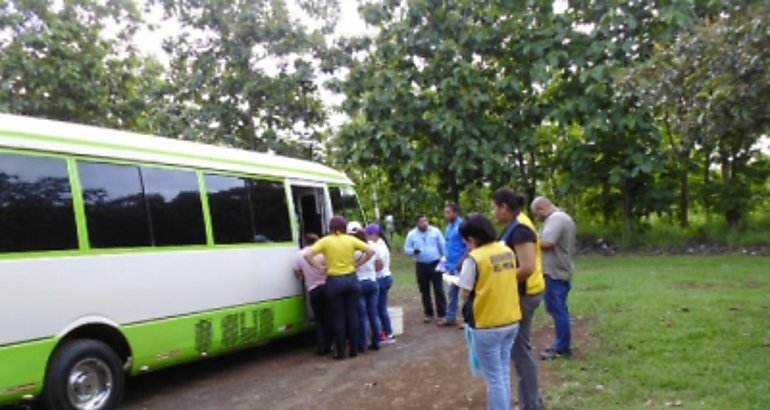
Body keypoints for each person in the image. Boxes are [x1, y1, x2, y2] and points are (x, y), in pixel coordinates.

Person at [458, 213, 522, 410]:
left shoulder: (474, 258)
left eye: (466, 239)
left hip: (487, 323)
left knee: (494, 378)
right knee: (502, 372)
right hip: (511, 319)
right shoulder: (506, 251)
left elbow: (464, 293)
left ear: (472, 237)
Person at [493, 188, 544, 410]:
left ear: (504, 207)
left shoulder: (521, 229)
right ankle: (530, 401)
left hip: (525, 294)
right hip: (522, 292)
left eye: (495, 207)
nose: (494, 212)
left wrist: (499, 280)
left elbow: (527, 267)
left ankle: (531, 404)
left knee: (521, 351)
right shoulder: (515, 225)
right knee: (519, 349)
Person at [304, 216, 375, 359]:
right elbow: (370, 251)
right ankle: (354, 350)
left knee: (338, 316)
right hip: (351, 279)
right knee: (352, 314)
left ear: (331, 228)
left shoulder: (326, 241)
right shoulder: (351, 239)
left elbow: (308, 255)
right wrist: (357, 264)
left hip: (334, 280)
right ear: (344, 228)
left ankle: (340, 352)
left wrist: (321, 268)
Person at [531, 197, 576, 360]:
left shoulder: (556, 219)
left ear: (541, 208)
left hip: (555, 272)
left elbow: (548, 243)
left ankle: (562, 347)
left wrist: (529, 240)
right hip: (561, 269)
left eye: (537, 214)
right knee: (559, 309)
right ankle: (562, 344)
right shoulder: (563, 217)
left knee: (557, 310)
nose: (538, 218)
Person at [404, 214, 447, 323]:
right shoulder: (411, 234)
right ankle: (429, 313)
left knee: (439, 289)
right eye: (422, 222)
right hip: (421, 265)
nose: (424, 224)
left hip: (435, 263)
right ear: (417, 223)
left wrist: (444, 261)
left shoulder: (435, 231)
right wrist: (413, 251)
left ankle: (442, 313)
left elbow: (443, 246)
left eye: (426, 221)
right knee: (424, 290)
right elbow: (406, 249)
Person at [293, 233, 331, 355]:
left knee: (319, 320)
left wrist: (307, 274)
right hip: (326, 287)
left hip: (313, 289)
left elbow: (297, 272)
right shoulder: (323, 253)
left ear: (305, 241)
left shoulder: (300, 255)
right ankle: (330, 345)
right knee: (328, 318)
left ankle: (321, 347)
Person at [349, 223, 381, 352]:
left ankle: (362, 344)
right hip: (372, 282)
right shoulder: (372, 247)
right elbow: (380, 265)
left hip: (359, 283)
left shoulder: (353, 251)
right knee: (373, 313)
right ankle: (376, 341)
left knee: (362, 316)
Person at [366, 223, 396, 344]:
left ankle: (387, 333)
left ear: (374, 234)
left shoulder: (376, 246)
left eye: (367, 235)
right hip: (386, 276)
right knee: (381, 308)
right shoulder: (383, 244)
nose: (366, 237)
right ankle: (387, 332)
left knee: (379, 309)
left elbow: (379, 266)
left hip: (381, 278)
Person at [442, 203, 467, 327]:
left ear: (456, 213)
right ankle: (451, 317)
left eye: (448, 212)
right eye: (445, 212)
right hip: (450, 265)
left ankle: (466, 319)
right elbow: (448, 245)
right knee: (452, 292)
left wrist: (462, 261)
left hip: (460, 265)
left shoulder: (462, 226)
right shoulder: (449, 226)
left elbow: (469, 245)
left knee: (465, 292)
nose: (446, 215)